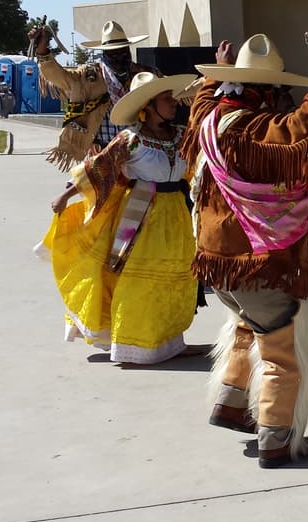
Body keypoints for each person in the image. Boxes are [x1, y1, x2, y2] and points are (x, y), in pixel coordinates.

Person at [181, 30, 308, 468]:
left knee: (247, 327)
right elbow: (304, 127)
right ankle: (276, 438)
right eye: (277, 90)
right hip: (258, 265)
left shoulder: (208, 119)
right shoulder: (257, 130)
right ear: (265, 90)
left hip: (219, 266)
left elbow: (202, 99)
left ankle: (231, 403)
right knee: (281, 352)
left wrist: (218, 73)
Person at [36, 72, 204, 365]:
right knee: (138, 281)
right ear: (148, 105)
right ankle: (133, 343)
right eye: (166, 98)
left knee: (175, 279)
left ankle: (170, 342)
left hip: (177, 215)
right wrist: (66, 194)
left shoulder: (181, 136)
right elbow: (99, 168)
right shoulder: (131, 140)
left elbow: (200, 165)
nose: (174, 102)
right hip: (140, 216)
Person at [29, 20, 160, 170]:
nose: (120, 57)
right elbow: (59, 76)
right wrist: (42, 50)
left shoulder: (145, 75)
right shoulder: (89, 76)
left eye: (123, 51)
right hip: (102, 152)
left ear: (129, 50)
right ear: (104, 54)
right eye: (113, 53)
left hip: (141, 151)